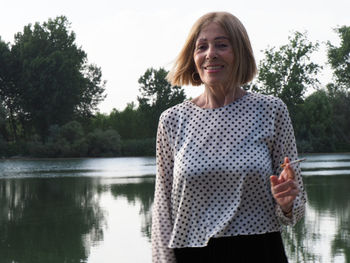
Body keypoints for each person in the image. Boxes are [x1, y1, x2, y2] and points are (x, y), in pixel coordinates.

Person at [151, 11, 306, 263]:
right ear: (193, 57)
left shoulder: (271, 110)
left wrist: (287, 203)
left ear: (240, 54)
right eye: (202, 47)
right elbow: (162, 210)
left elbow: (295, 208)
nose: (210, 53)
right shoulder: (171, 120)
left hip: (260, 251)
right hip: (193, 254)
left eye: (221, 45)